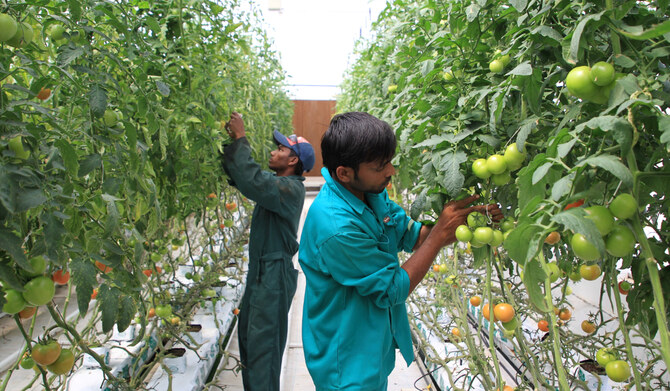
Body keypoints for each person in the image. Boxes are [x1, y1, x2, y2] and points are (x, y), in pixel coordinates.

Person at [298, 111, 502, 390]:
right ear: (344, 173)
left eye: (390, 161)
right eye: (380, 166)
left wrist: (462, 221)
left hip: (370, 344)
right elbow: (392, 289)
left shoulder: (369, 193)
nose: (391, 171)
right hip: (345, 359)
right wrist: (440, 233)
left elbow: (412, 235)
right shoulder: (336, 227)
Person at [220, 111, 315, 391]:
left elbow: (252, 180)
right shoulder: (280, 186)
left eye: (281, 149)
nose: (273, 152)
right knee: (251, 343)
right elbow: (245, 177)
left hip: (273, 278)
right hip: (263, 275)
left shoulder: (289, 189)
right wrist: (226, 146)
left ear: (293, 160)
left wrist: (241, 138)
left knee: (264, 353)